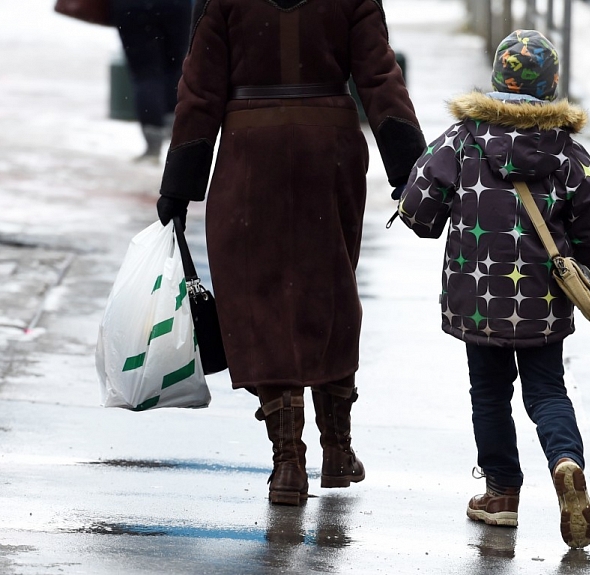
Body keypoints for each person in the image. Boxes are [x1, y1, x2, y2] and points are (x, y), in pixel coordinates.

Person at [155, 0, 425, 505]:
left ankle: (287, 466)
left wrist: (179, 183)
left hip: (250, 155)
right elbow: (379, 77)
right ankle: (338, 450)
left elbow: (200, 90)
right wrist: (411, 168)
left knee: (259, 301)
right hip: (330, 150)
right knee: (331, 289)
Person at [396, 30, 590, 549]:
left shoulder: (462, 140)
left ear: (496, 80)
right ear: (552, 85)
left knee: (489, 394)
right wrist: (589, 272)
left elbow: (417, 209)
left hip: (479, 298)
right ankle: (565, 462)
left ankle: (501, 496)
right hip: (541, 299)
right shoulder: (569, 154)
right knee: (547, 391)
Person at [112, 0, 192, 162]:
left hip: (133, 7)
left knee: (146, 75)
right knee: (175, 68)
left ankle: (153, 147)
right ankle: (176, 140)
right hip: (176, 6)